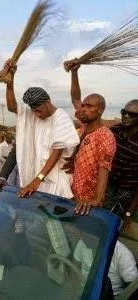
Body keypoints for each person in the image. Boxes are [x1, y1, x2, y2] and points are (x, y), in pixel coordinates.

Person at [3, 59, 80, 198]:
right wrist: (10, 81)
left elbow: (56, 153)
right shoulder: (34, 114)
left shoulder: (61, 117)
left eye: (38, 110)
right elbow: (12, 107)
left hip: (55, 183)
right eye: (33, 111)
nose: (36, 115)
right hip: (36, 181)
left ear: (48, 101)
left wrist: (38, 180)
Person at [64, 59, 116, 215]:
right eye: (83, 106)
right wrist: (74, 72)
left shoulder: (105, 136)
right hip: (72, 194)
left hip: (87, 203)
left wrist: (96, 199)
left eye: (89, 106)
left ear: (99, 110)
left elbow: (104, 169)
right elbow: (75, 98)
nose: (83, 109)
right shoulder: (85, 127)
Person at [104, 100, 138, 228]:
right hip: (107, 184)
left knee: (114, 226)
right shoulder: (115, 130)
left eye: (132, 114)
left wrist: (129, 213)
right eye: (124, 112)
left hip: (126, 192)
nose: (126, 116)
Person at [73, 239, 138, 296]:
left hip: (109, 296)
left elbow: (132, 288)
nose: (82, 234)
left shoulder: (122, 254)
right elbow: (73, 269)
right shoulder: (82, 242)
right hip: (83, 291)